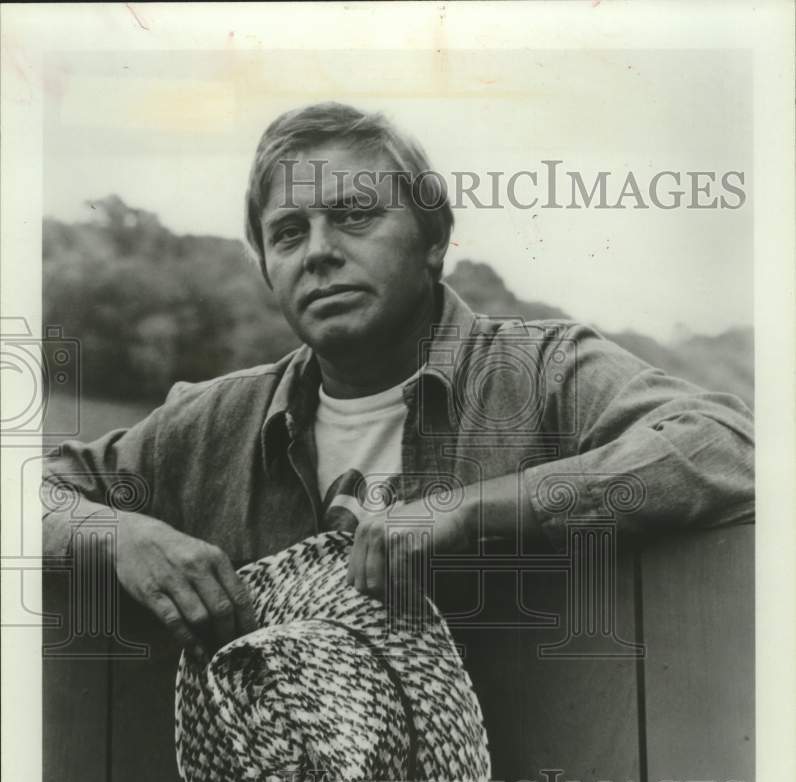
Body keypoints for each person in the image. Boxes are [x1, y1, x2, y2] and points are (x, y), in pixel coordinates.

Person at [42, 101, 755, 661]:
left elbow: (730, 446)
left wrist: (472, 513)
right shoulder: (207, 422)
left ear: (434, 240)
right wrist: (117, 535)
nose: (319, 252)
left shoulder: (543, 372)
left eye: (354, 215)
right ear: (267, 269)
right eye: (289, 233)